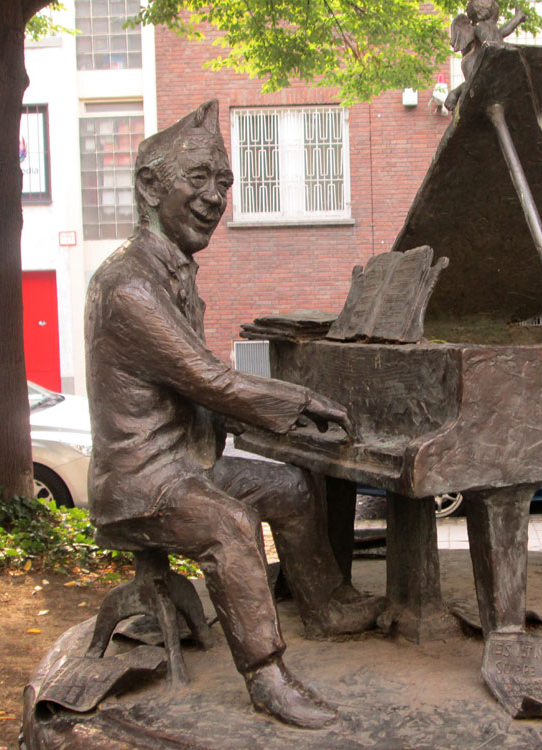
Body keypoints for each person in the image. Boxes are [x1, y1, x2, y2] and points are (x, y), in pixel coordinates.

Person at [84, 100, 383, 729]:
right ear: (148, 184)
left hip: (183, 466)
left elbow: (198, 394)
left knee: (290, 486)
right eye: (198, 179)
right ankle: (267, 677)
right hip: (141, 483)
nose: (216, 197)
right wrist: (298, 403)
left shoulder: (175, 276)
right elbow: (206, 379)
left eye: (223, 183)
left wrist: (273, 430)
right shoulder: (128, 284)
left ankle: (326, 604)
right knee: (229, 525)